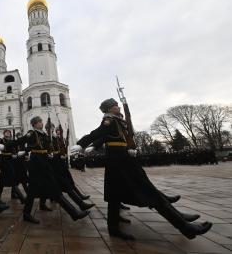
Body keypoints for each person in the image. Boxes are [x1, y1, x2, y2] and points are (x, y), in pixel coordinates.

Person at [71, 98, 212, 240]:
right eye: (115, 106)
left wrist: (129, 148)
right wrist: (81, 144)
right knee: (148, 192)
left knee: (116, 196)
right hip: (120, 163)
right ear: (108, 109)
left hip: (123, 161)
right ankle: (185, 227)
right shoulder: (110, 120)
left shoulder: (118, 121)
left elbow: (111, 137)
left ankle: (113, 228)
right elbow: (98, 133)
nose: (118, 107)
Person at [14, 116, 90, 224]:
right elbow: (22, 141)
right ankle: (74, 213)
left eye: (41, 121)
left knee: (49, 189)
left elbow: (43, 146)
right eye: (39, 122)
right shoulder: (32, 133)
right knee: (36, 190)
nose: (41, 123)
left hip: (44, 162)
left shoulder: (43, 134)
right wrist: (7, 147)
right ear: (34, 124)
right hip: (36, 164)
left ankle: (74, 213)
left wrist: (49, 153)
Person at [0, 129, 26, 204]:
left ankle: (11, 195)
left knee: (6, 180)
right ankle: (22, 198)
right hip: (5, 161)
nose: (8, 133)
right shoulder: (1, 140)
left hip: (11, 161)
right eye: (6, 132)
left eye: (9, 132)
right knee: (10, 180)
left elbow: (14, 150)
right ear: (4, 133)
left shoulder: (12, 140)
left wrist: (16, 154)